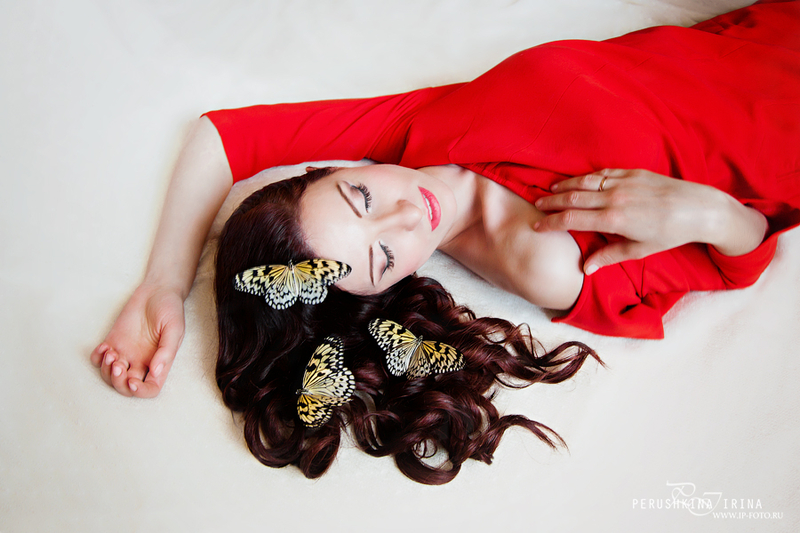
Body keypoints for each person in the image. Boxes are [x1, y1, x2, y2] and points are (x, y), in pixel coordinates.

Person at [91, 0, 800, 483]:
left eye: (362, 198)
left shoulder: (411, 135)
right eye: (382, 257)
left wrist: (162, 284)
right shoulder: (544, 259)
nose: (407, 216)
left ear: (335, 168)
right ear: (383, 288)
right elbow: (739, 262)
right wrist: (711, 215)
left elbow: (223, 136)